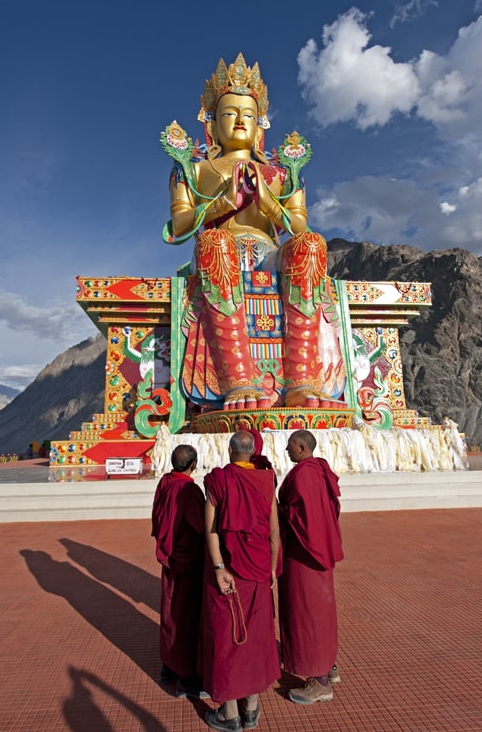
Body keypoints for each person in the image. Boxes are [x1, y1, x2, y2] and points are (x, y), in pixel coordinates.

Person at [161, 54, 346, 411]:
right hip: (220, 251)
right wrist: (220, 204)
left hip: (270, 251)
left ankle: (301, 379)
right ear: (212, 125)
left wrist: (267, 202)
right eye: (230, 113)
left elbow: (297, 224)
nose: (241, 120)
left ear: (261, 125)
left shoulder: (282, 172)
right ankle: (237, 380)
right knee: (214, 241)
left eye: (249, 114)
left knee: (310, 244)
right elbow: (179, 227)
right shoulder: (195, 169)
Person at [202, 430, 280, 731]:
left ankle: (230, 713)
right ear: (252, 452)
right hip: (259, 569)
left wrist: (219, 568)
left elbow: (211, 531)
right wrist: (272, 568)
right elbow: (274, 532)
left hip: (231, 569)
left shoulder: (218, 481)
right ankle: (251, 707)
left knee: (229, 636)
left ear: (229, 449)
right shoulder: (266, 480)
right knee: (257, 637)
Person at [277, 430, 344, 705]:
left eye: (290, 447)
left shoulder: (303, 475)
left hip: (304, 554)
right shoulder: (320, 470)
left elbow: (298, 516)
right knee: (322, 612)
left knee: (306, 614)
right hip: (321, 552)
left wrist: (275, 511)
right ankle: (328, 665)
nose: (287, 451)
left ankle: (320, 682)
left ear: (302, 447)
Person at [151, 444, 207, 698]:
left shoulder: (165, 482)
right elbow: (199, 526)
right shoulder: (189, 490)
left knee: (171, 611)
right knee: (186, 615)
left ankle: (168, 666)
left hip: (170, 558)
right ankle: (186, 675)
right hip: (187, 561)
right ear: (193, 465)